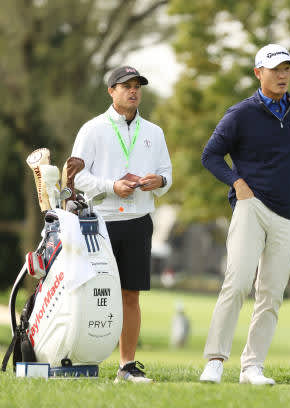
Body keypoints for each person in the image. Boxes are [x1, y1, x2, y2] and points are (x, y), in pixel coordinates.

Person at [199, 44, 290, 385]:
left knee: (271, 293)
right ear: (258, 73)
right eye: (275, 69)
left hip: (287, 213)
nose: (283, 75)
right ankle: (215, 360)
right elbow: (210, 156)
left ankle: (252, 367)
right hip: (251, 205)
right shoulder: (240, 114)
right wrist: (235, 181)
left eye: (287, 69)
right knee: (237, 283)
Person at [71, 65, 172, 383]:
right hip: (101, 223)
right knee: (90, 292)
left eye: (137, 86)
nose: (133, 91)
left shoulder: (154, 133)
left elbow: (167, 176)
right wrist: (110, 186)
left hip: (139, 221)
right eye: (126, 85)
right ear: (111, 91)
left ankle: (127, 366)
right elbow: (75, 176)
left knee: (131, 295)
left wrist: (159, 181)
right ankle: (76, 358)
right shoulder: (92, 129)